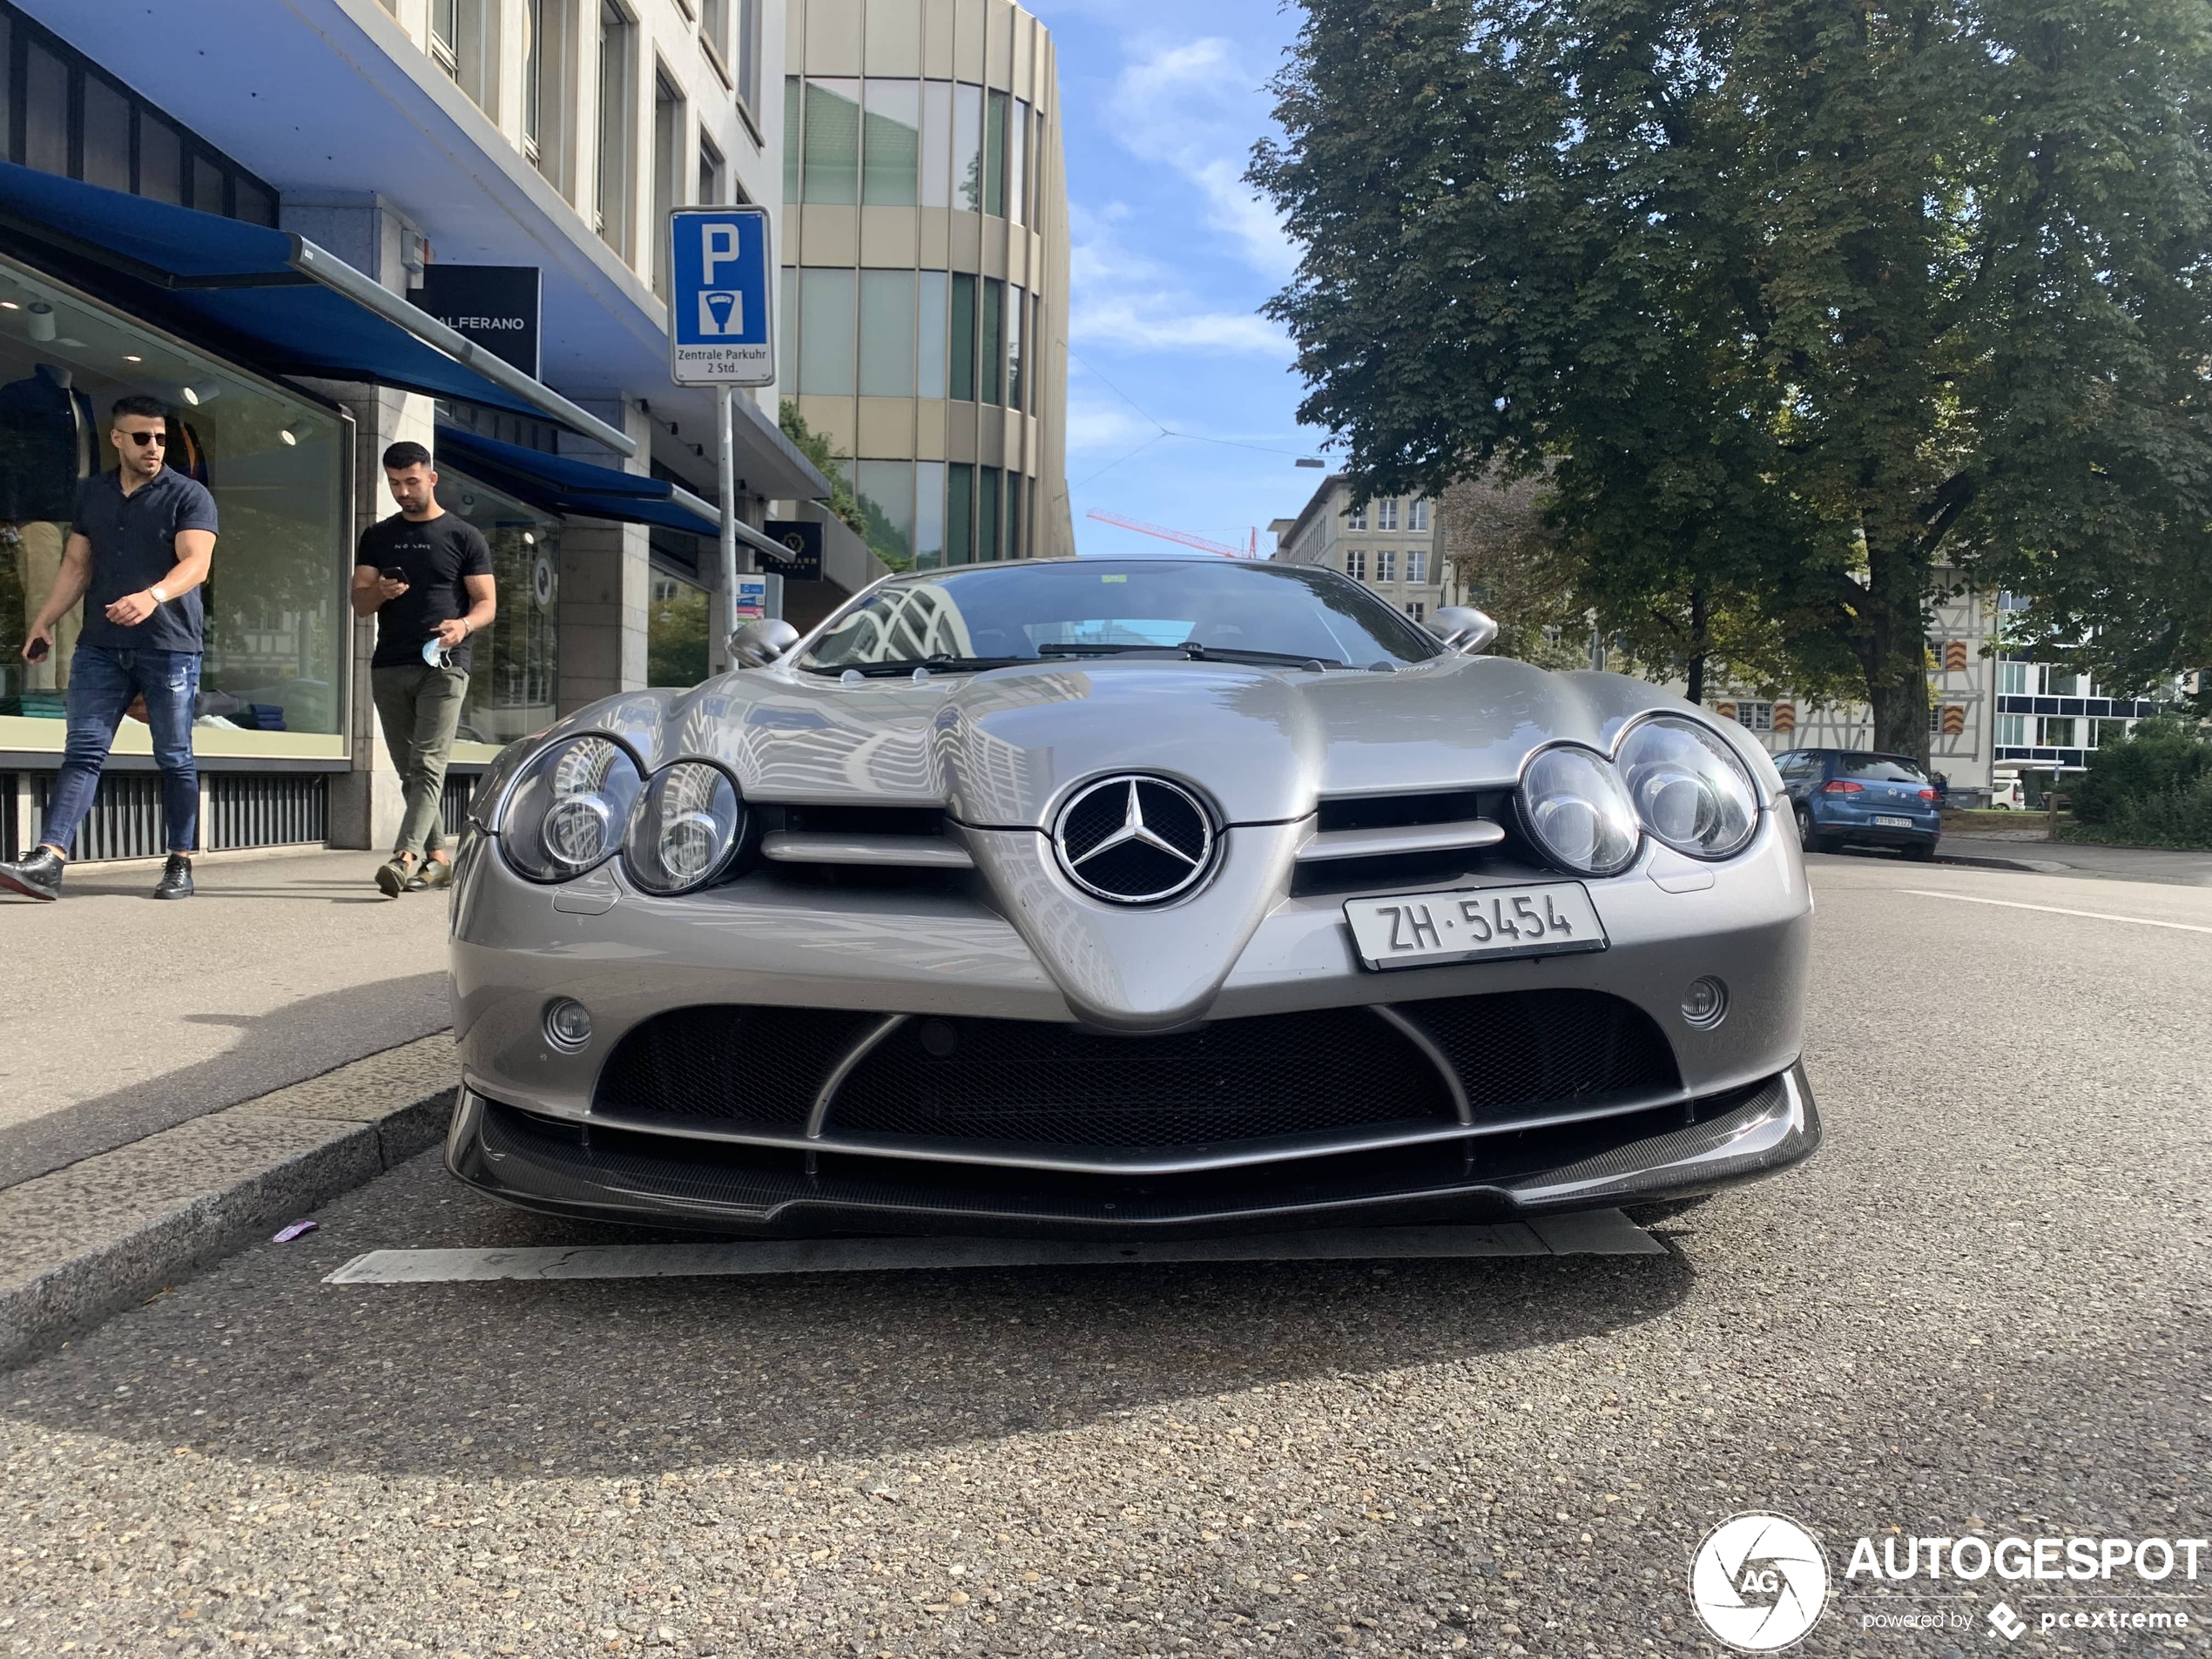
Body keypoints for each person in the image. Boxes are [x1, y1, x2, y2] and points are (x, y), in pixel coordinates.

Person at [0, 395, 218, 902]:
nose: (154, 447)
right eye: (142, 437)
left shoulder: (189, 495)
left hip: (169, 648)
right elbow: (76, 566)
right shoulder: (92, 494)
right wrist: (43, 622)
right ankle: (50, 859)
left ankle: (180, 861)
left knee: (175, 755)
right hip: (100, 646)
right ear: (117, 438)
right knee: (82, 752)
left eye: (161, 438)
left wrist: (153, 596)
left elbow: (196, 564)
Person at [353, 440, 495, 897]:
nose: (403, 491)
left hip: (445, 663)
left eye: (411, 481)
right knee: (408, 770)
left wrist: (463, 626)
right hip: (391, 662)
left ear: (432, 478)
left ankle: (404, 856)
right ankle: (439, 859)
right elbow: (359, 601)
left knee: (429, 763)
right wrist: (383, 594)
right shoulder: (377, 535)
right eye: (394, 483)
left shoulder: (463, 536)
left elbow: (487, 603)